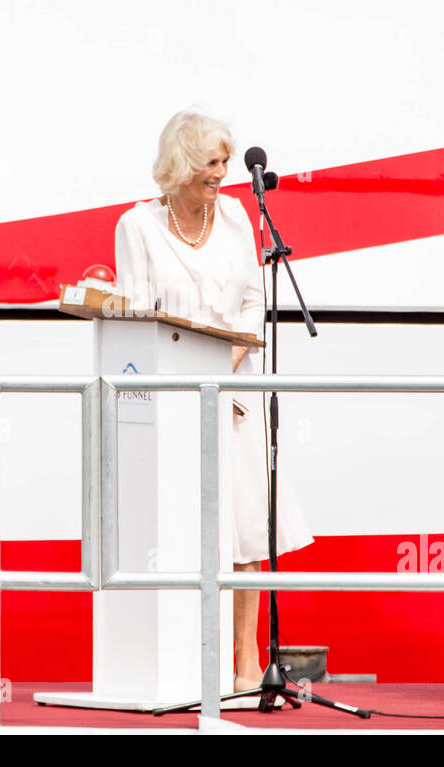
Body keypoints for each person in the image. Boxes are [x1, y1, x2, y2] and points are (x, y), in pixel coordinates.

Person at [114, 110, 312, 692]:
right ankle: (181, 663)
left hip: (235, 394)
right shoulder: (137, 225)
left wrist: (227, 360)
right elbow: (137, 317)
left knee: (247, 532)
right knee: (179, 533)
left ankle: (246, 663)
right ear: (180, 163)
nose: (223, 173)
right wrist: (192, 370)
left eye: (226, 162)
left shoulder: (232, 214)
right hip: (172, 402)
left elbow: (254, 298)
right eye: (212, 162)